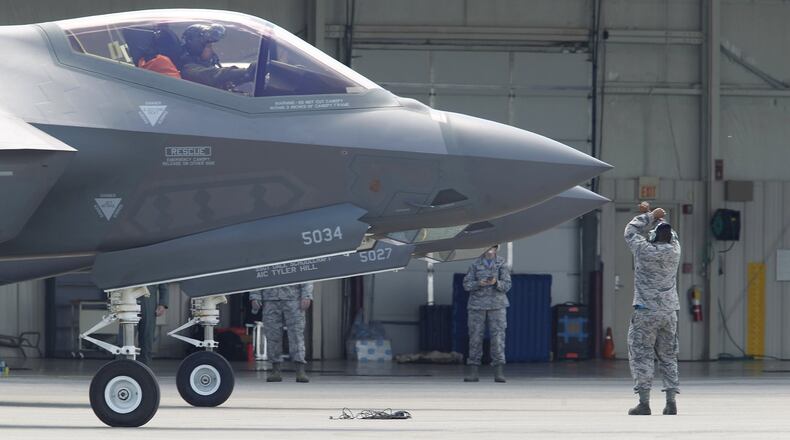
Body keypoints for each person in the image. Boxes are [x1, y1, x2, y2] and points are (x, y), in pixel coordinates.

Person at [624, 202, 681, 415]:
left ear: (653, 237)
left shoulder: (644, 250)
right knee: (668, 356)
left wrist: (647, 216)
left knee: (642, 355)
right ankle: (671, 402)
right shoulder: (675, 250)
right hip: (669, 313)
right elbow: (670, 233)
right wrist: (657, 217)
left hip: (646, 311)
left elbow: (630, 231)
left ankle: (644, 403)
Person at [462, 244, 512, 383]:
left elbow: (507, 285)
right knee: (475, 338)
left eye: (493, 247)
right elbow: (466, 284)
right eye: (488, 247)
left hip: (497, 306)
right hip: (477, 306)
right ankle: (473, 371)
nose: (490, 250)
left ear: (497, 249)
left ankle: (498, 372)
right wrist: (479, 283)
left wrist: (496, 283)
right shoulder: (475, 264)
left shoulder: (501, 264)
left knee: (498, 338)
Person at [250, 283, 313, 383]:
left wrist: (306, 295)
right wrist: (255, 296)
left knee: (296, 335)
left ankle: (300, 370)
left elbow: (305, 277)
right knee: (272, 335)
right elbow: (258, 276)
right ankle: (276, 370)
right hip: (270, 299)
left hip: (294, 299)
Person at [179, 23, 256, 90]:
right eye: (209, 46)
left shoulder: (203, 66)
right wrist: (246, 72)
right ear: (197, 48)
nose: (212, 50)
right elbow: (213, 76)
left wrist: (247, 76)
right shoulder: (189, 70)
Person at [138, 284, 170, 365]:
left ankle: (144, 367)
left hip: (148, 298)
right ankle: (121, 366)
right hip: (127, 297)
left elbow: (163, 282)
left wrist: (163, 303)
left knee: (147, 337)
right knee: (124, 337)